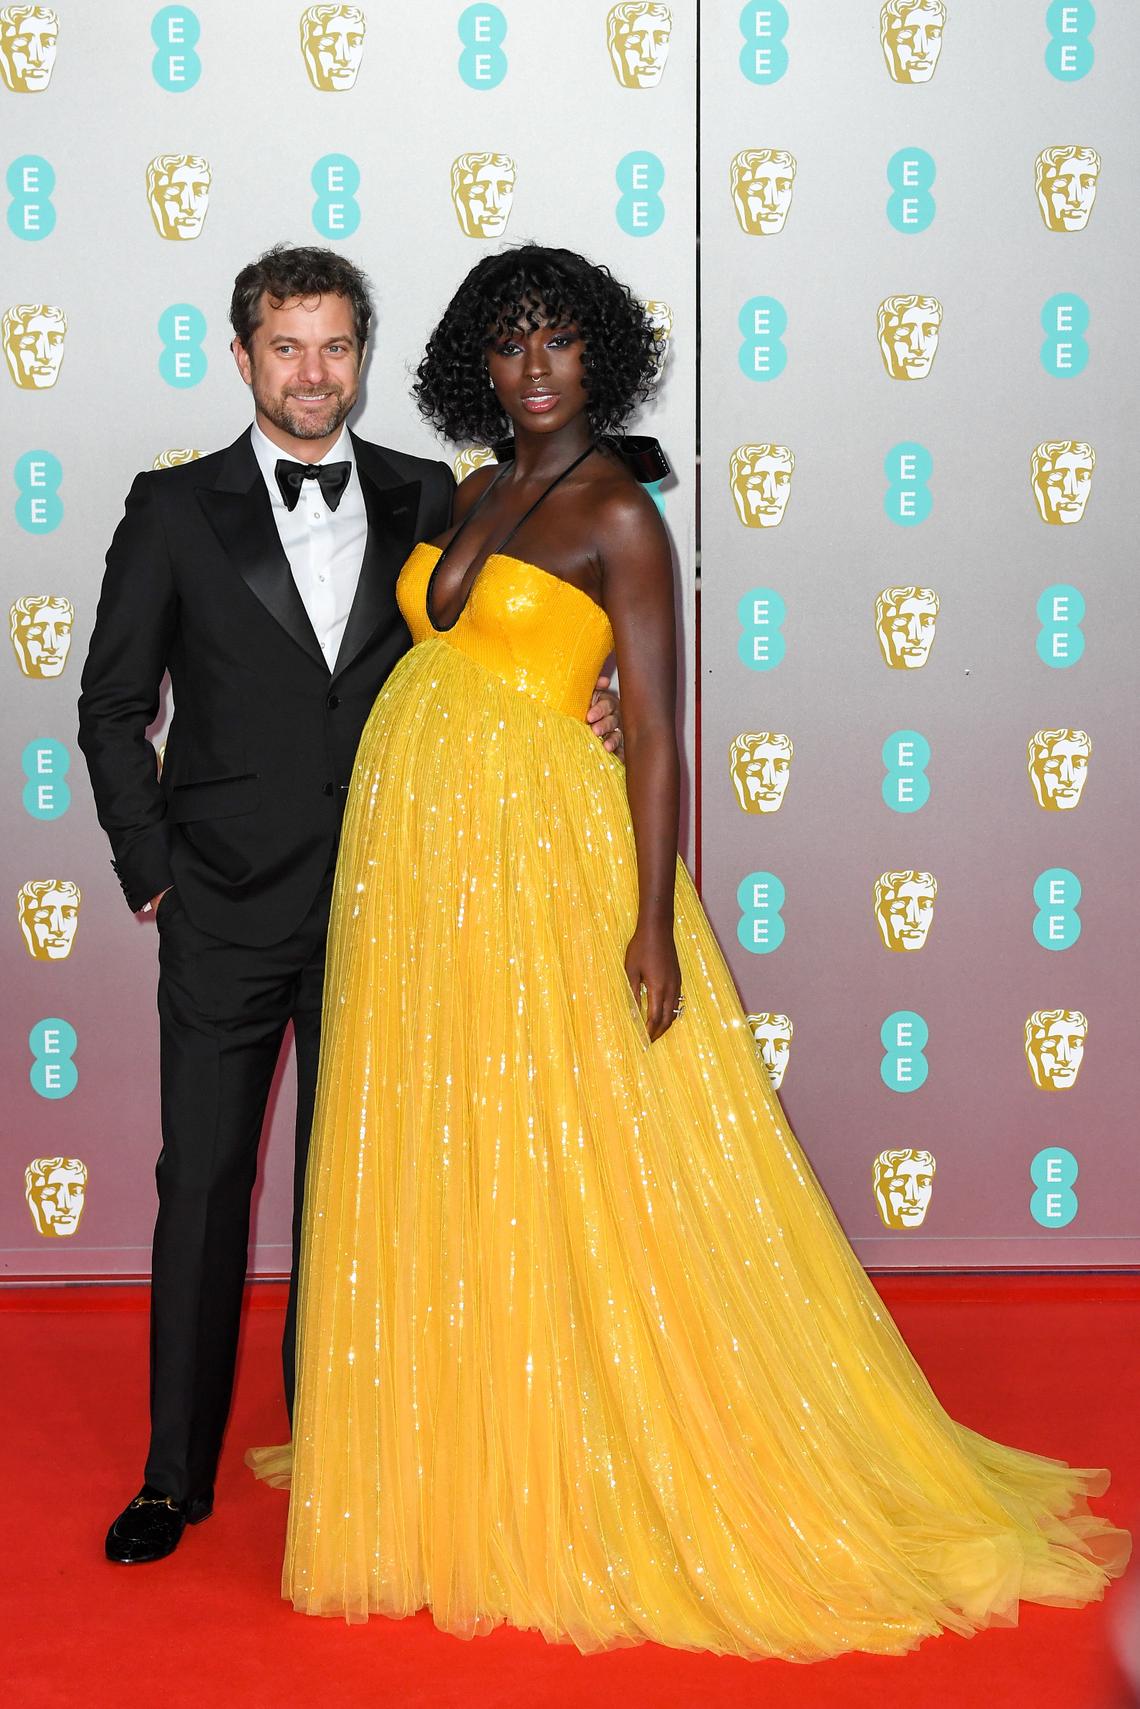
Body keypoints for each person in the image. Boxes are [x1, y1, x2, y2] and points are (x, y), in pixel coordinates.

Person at [253, 245, 1128, 1654]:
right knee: (461, 1135)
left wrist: (653, 916)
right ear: (476, 359)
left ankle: (601, 1448)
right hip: (418, 875)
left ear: (602, 356)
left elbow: (655, 725)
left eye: (561, 342)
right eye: (509, 343)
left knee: (585, 1141)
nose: (534, 367)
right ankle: (465, 1434)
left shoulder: (621, 517)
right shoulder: (472, 489)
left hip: (544, 864)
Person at [77, 244, 622, 1568]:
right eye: (287, 346)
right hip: (220, 906)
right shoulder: (169, 508)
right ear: (244, 353)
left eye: (335, 347)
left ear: (363, 359)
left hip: (392, 904)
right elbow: (107, 705)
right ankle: (172, 1475)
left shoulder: (428, 489)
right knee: (201, 1184)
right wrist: (153, 871)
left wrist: (586, 696)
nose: (312, 372)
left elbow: (489, 642)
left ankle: (341, 1447)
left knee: (360, 1191)